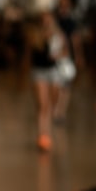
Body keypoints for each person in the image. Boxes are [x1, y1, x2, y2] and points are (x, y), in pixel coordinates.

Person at [26, 10, 71, 151]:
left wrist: (58, 56)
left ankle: (48, 132)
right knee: (42, 104)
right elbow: (28, 55)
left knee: (51, 103)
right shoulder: (34, 35)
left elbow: (66, 52)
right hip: (39, 72)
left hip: (54, 72)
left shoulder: (59, 35)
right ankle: (43, 135)